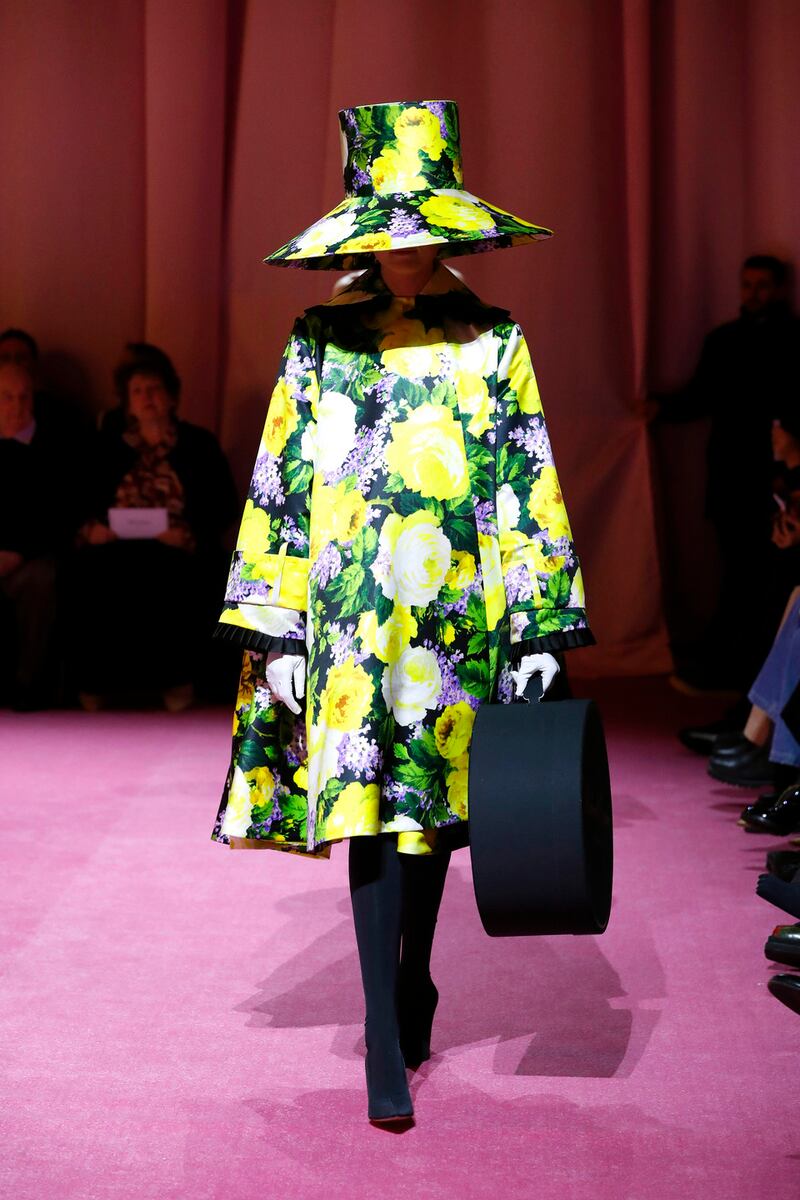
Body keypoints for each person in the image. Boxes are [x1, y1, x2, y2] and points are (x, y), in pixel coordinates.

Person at [211, 101, 593, 1124]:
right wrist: (275, 623)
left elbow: (524, 479)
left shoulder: (490, 337)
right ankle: (382, 1021)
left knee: (424, 811)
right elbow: (283, 478)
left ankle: (414, 975)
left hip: (452, 617)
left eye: (426, 226)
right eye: (395, 227)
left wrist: (540, 625)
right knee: (365, 813)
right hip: (345, 619)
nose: (411, 247)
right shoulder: (319, 335)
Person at [656, 255, 800, 692]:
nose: (754, 293)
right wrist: (657, 410)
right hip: (730, 475)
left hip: (776, 477)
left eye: (763, 285)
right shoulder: (724, 340)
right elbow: (701, 396)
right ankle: (736, 672)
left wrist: (788, 471)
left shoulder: (793, 340)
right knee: (738, 575)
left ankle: (744, 674)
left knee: (762, 583)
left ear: (778, 290)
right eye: (747, 284)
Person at [63, 351, 238, 709]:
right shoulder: (105, 446)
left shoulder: (198, 445)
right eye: (138, 391)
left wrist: (188, 535)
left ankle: (176, 681)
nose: (147, 397)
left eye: (154, 389)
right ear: (128, 402)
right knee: (89, 572)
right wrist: (91, 530)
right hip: (111, 545)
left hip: (176, 546)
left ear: (172, 397)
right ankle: (96, 684)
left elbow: (222, 508)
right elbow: (77, 501)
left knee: (174, 574)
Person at [0, 363, 78, 708]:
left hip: (30, 556)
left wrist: (17, 552)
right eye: (6, 397)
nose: (16, 405)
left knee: (41, 580)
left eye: (23, 396)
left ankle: (27, 687)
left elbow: (60, 516)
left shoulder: (54, 447)